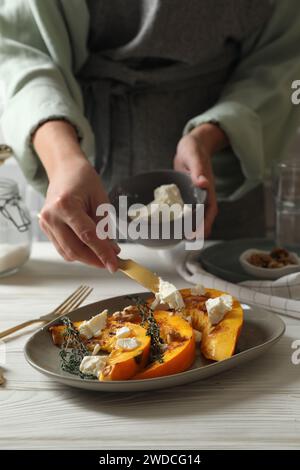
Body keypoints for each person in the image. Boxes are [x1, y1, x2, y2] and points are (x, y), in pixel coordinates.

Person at [1, 0, 300, 273]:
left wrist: (209, 135)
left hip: (218, 178)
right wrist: (64, 160)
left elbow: (282, 58)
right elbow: (21, 49)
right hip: (77, 183)